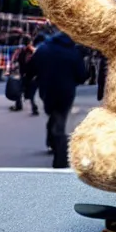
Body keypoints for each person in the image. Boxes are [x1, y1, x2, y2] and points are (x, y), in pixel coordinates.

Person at [29, 28, 84, 169]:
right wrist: (73, 81)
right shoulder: (73, 52)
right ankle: (60, 152)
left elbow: (31, 68)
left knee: (53, 114)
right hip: (66, 91)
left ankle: (53, 143)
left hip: (47, 89)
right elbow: (82, 74)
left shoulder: (43, 49)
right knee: (60, 117)